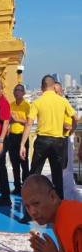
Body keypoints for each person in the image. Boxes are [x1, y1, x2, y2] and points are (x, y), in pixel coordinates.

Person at [19, 75, 78, 223]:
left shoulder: (38, 102)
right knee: (58, 178)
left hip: (42, 141)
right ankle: (60, 213)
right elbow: (75, 117)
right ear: (53, 86)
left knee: (33, 176)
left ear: (42, 87)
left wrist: (22, 144)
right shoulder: (62, 101)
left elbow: (28, 123)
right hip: (58, 141)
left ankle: (28, 214)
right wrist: (72, 131)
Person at [22, 175, 81, 252]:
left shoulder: (76, 227)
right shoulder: (57, 219)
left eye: (36, 203)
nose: (32, 212)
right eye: (27, 206)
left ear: (53, 197)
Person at [54, 82, 78, 200]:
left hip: (64, 138)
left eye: (57, 91)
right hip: (56, 138)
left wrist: (71, 129)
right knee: (59, 166)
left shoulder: (64, 103)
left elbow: (75, 118)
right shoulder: (55, 103)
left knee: (64, 167)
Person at [8, 84, 30, 195]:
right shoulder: (11, 105)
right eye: (15, 90)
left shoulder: (27, 106)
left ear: (24, 93)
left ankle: (26, 187)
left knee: (24, 164)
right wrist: (13, 120)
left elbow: (29, 122)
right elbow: (8, 121)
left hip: (23, 137)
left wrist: (17, 119)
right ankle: (17, 187)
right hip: (12, 136)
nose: (17, 92)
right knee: (14, 164)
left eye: (20, 90)